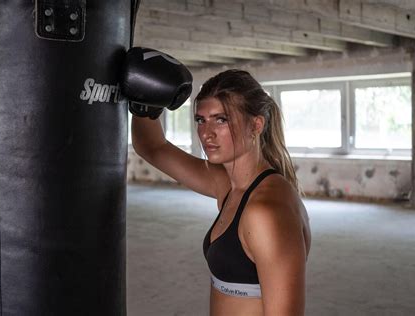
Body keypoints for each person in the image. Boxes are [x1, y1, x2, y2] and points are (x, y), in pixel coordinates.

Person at [131, 69, 311, 316]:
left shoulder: (265, 211)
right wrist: (146, 104)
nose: (207, 133)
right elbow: (153, 147)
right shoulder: (229, 183)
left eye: (221, 119)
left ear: (256, 125)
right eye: (201, 120)